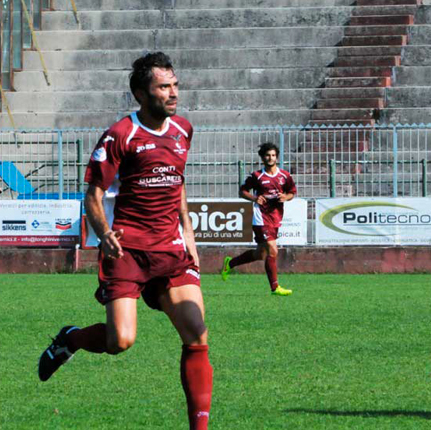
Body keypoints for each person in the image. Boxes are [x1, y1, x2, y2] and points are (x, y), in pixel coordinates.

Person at [37, 52, 213, 430]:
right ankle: (71, 339)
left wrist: (189, 237)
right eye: (163, 87)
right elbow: (93, 194)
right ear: (140, 93)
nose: (173, 93)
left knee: (197, 334)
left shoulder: (183, 130)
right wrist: (103, 234)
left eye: (175, 85)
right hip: (128, 251)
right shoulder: (121, 135)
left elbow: (177, 184)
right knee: (121, 341)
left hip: (171, 251)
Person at [220, 142, 296, 296]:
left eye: (273, 155)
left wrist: (285, 197)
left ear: (277, 157)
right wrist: (255, 198)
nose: (270, 158)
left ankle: (230, 263)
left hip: (275, 217)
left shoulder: (284, 176)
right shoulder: (257, 176)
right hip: (260, 217)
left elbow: (292, 193)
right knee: (272, 249)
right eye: (267, 155)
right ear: (262, 157)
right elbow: (242, 191)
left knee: (260, 254)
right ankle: (275, 287)